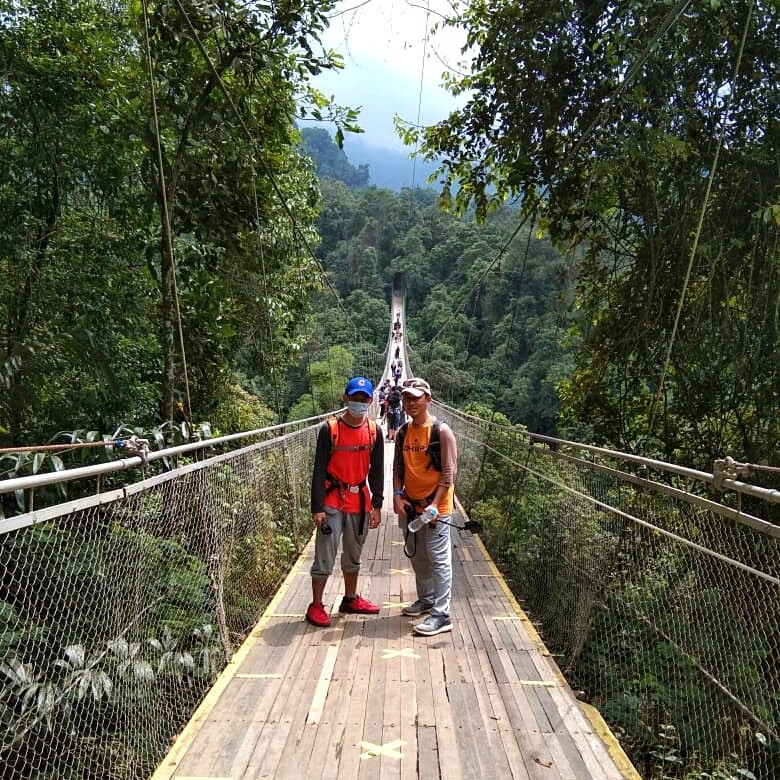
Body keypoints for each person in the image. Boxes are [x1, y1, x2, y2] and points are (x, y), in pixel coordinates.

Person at [307, 377, 384, 627]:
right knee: (325, 555)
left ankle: (350, 599)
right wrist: (317, 507)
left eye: (364, 398)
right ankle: (316, 605)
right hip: (331, 502)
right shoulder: (329, 429)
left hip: (359, 502)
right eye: (355, 397)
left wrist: (377, 505)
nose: (359, 402)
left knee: (353, 554)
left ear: (370, 401)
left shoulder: (374, 431)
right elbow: (319, 470)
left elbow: (377, 471)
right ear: (345, 398)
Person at [392, 377, 458, 636]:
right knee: (417, 556)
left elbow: (448, 474)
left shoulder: (442, 432)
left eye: (416, 398)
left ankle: (442, 615)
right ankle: (427, 599)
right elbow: (397, 467)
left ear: (428, 400)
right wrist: (397, 496)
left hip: (437, 508)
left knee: (439, 560)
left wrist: (434, 505)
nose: (410, 403)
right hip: (411, 506)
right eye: (407, 398)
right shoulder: (403, 432)